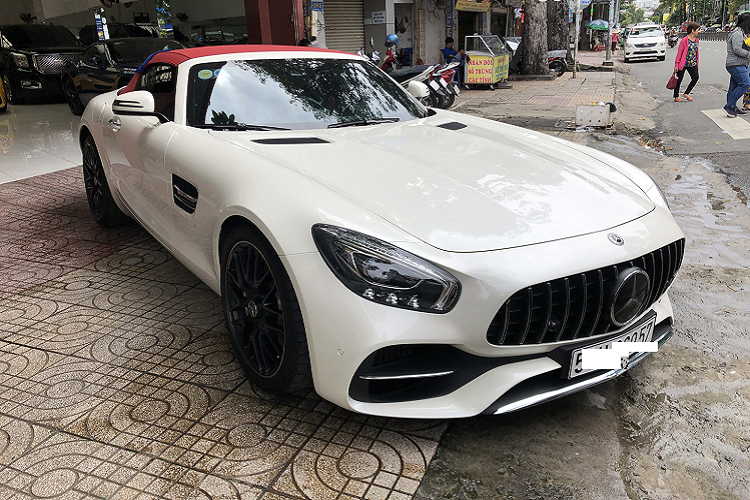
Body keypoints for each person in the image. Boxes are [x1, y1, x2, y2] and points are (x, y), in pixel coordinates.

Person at [723, 12, 750, 117]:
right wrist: (748, 54)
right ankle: (729, 105)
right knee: (745, 83)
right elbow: (737, 48)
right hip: (736, 63)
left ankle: (732, 107)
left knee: (733, 87)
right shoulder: (738, 34)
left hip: (738, 63)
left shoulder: (740, 33)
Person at [673, 22, 700, 102]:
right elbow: (679, 53)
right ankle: (676, 96)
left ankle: (686, 93)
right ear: (693, 30)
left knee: (695, 78)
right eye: (697, 30)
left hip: (693, 63)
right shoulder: (684, 41)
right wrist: (676, 64)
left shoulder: (697, 41)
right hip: (683, 63)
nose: (698, 32)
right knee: (679, 79)